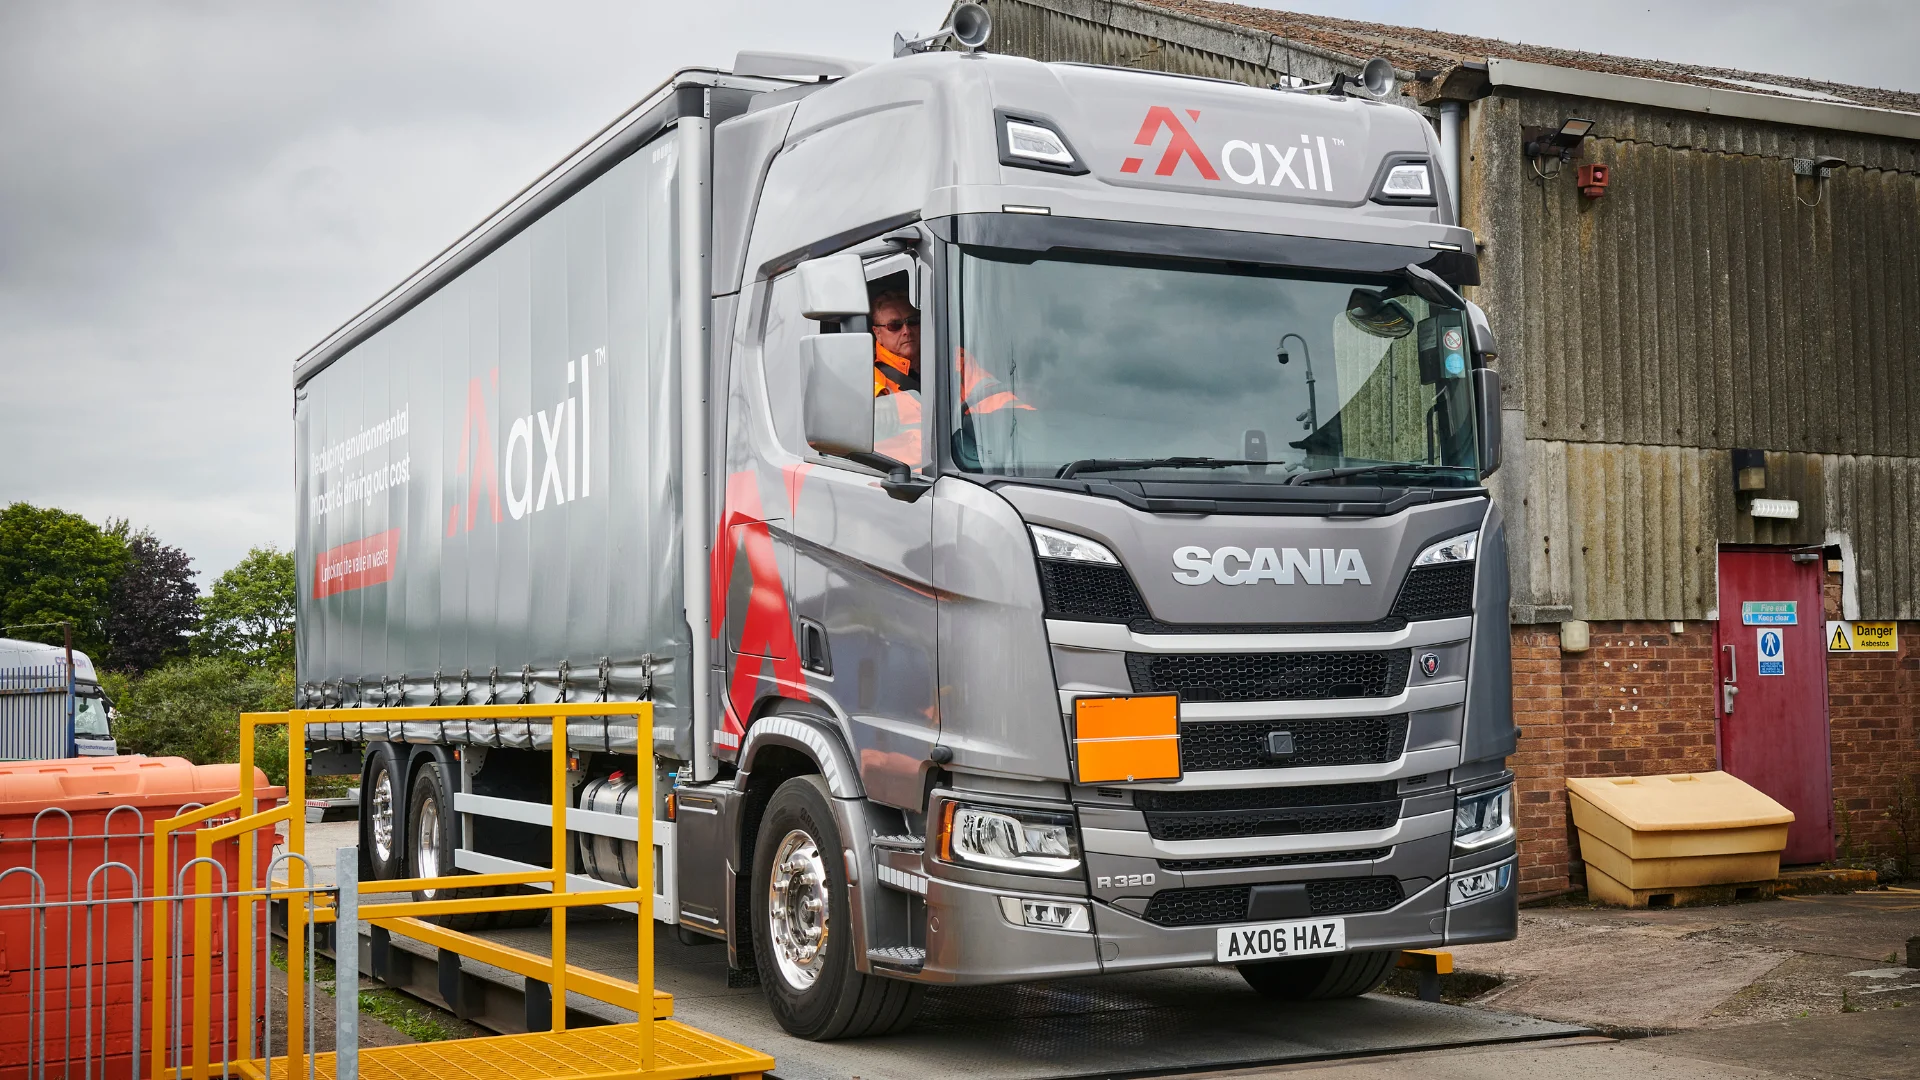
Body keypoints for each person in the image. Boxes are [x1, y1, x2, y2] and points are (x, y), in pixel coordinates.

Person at [869, 290, 1028, 465]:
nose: (906, 330)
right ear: (878, 333)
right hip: (904, 479)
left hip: (965, 466)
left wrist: (1025, 417)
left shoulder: (953, 360)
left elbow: (991, 394)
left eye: (913, 321)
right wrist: (878, 403)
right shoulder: (868, 375)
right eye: (894, 325)